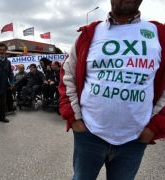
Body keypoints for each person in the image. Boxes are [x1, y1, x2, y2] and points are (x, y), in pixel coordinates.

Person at [59, 0, 165, 179]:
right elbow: (67, 74)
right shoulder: (90, 33)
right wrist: (74, 118)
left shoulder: (159, 35)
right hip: (89, 135)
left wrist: (153, 127)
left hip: (134, 139)